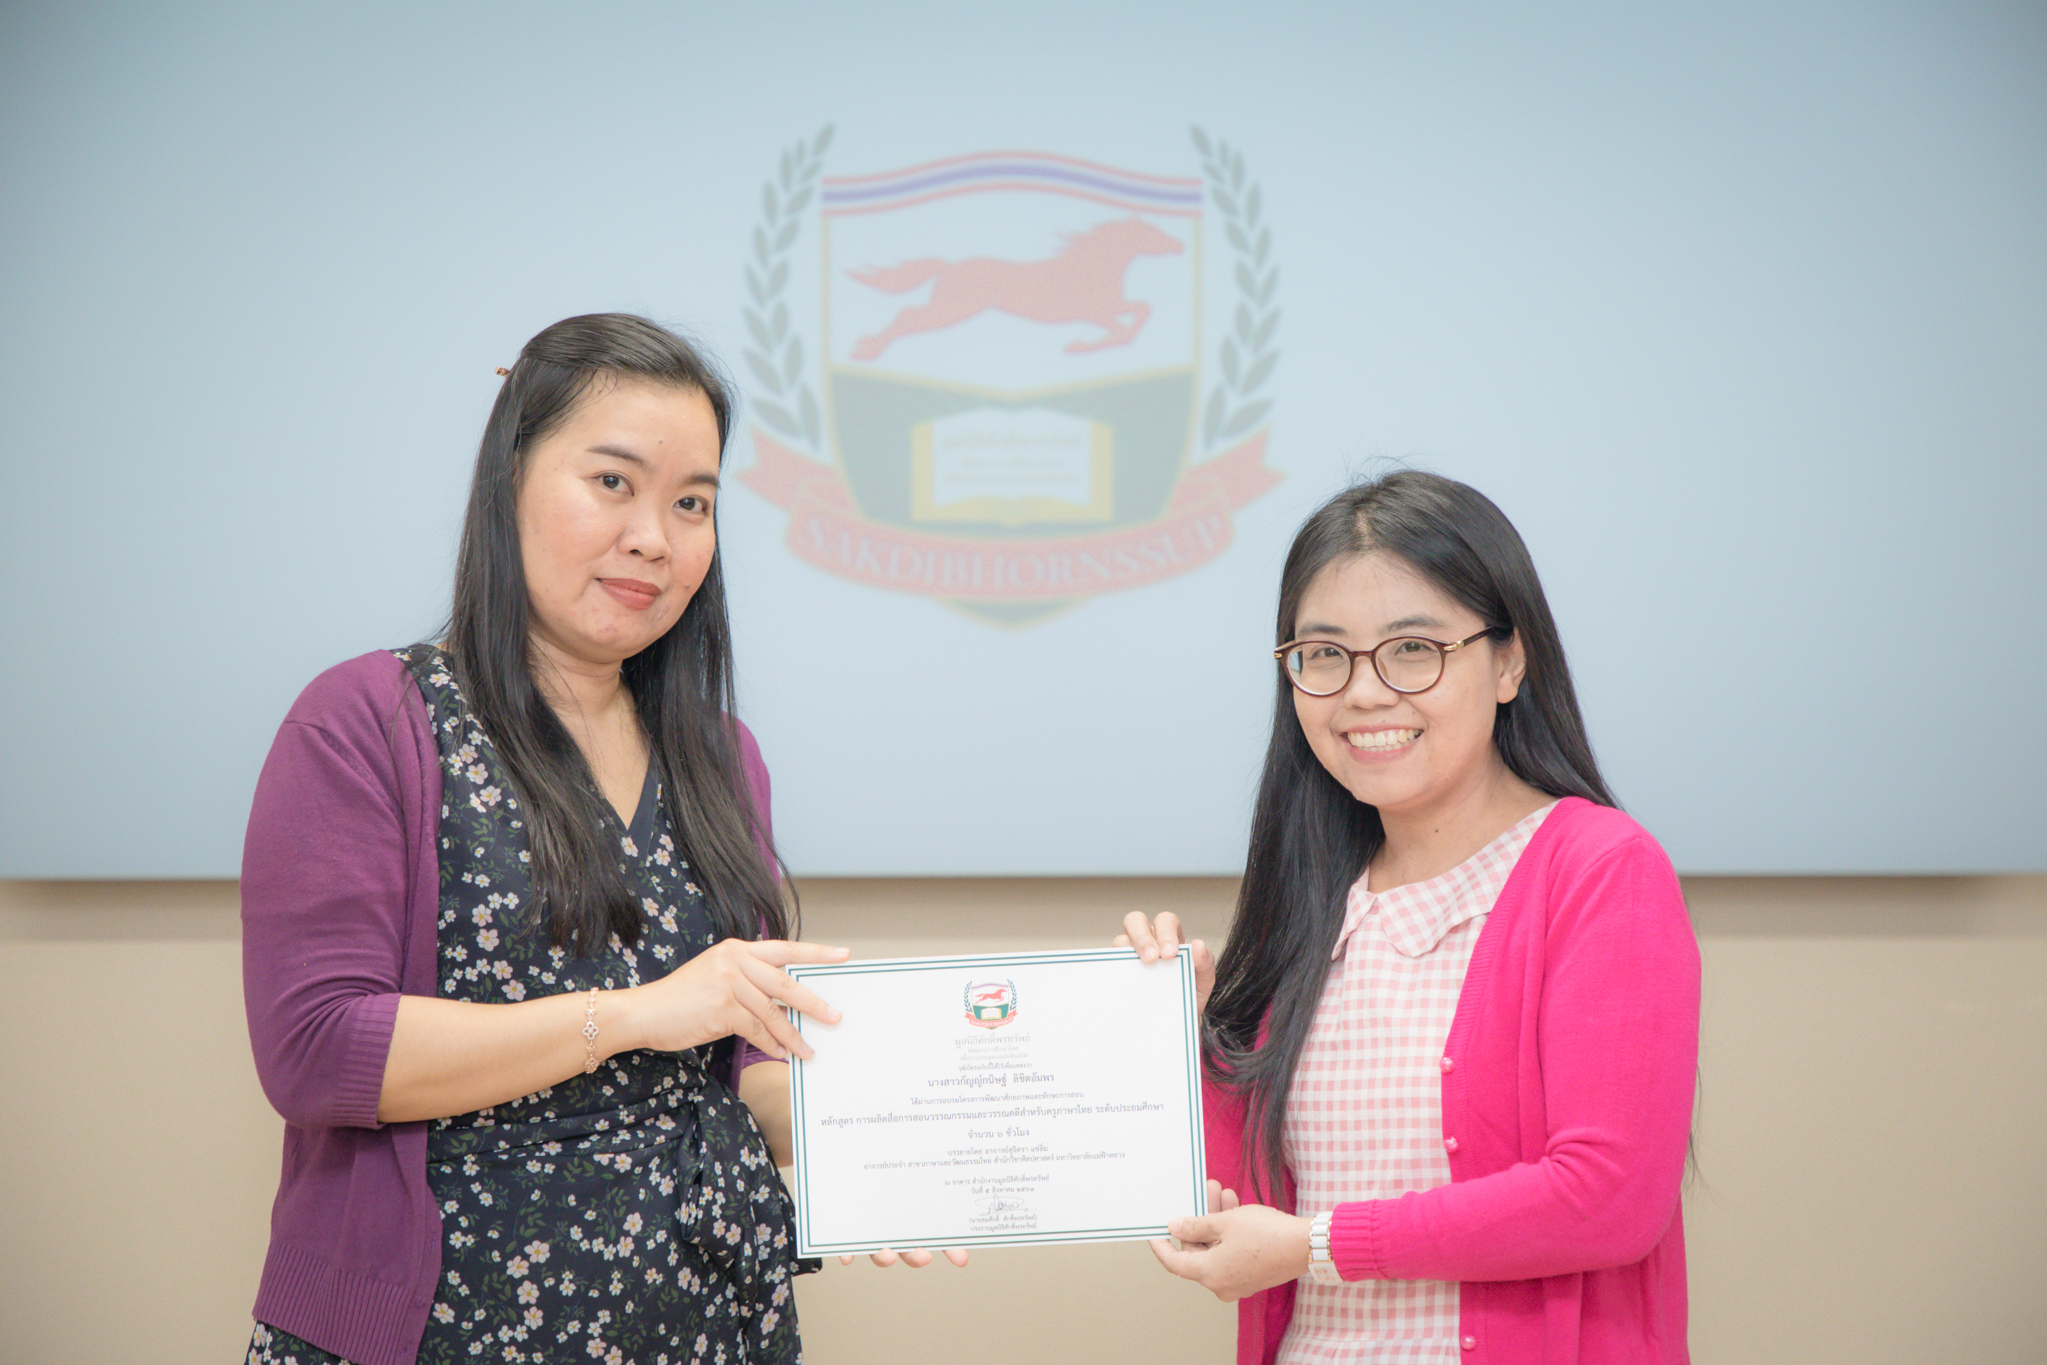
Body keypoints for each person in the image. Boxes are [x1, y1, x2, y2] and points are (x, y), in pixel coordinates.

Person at [239, 314, 950, 1365]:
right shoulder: (369, 720)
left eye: (692, 502)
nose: (655, 538)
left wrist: (889, 1146)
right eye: (612, 482)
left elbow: (738, 1063)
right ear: (509, 482)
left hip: (706, 1323)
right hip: (440, 1330)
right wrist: (631, 1016)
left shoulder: (721, 755)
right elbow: (316, 1050)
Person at [1121, 471, 1699, 1364]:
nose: (1363, 692)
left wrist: (1318, 1245)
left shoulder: (1597, 868)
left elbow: (1606, 1198)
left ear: (1508, 662)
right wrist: (1188, 1045)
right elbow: (1240, 1209)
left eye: (1412, 648)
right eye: (1324, 654)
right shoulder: (1308, 899)